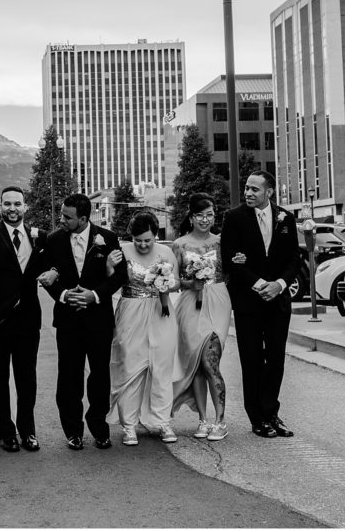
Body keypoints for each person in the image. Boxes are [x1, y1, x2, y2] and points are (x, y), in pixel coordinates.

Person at [43, 193, 127, 450]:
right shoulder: (54, 240)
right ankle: (73, 431)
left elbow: (120, 276)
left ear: (83, 218)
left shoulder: (107, 238)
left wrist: (95, 295)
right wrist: (64, 295)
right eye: (62, 215)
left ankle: (99, 427)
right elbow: (47, 276)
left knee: (100, 376)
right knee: (69, 377)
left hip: (98, 320)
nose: (62, 220)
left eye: (67, 217)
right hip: (67, 320)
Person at [220, 171, 301, 439]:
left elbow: (295, 259)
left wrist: (279, 284)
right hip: (248, 301)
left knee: (275, 359)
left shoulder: (286, 218)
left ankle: (271, 413)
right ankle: (257, 417)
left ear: (269, 192)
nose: (248, 193)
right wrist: (259, 284)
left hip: (278, 301)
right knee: (252, 359)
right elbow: (229, 259)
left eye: (255, 189)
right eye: (247, 188)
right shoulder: (234, 217)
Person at [0, 187, 49, 453]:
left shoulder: (40, 237)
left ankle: (28, 431)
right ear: (0, 206)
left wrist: (55, 272)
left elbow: (51, 267)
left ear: (25, 206)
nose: (12, 208)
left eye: (17, 203)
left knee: (27, 379)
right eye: (7, 204)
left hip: (28, 320)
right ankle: (6, 431)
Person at [103, 212, 180, 446]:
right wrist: (109, 266)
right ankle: (129, 425)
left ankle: (162, 421)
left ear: (155, 235)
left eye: (148, 240)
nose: (143, 245)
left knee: (162, 366)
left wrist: (166, 283)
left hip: (160, 311)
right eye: (138, 240)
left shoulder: (166, 252)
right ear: (132, 237)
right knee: (131, 366)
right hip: (131, 310)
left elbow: (177, 282)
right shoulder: (122, 251)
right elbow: (111, 282)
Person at [171, 193, 237, 442]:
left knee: (211, 361)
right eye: (200, 215)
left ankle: (220, 421)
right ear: (191, 216)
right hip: (190, 303)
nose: (205, 220)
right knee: (197, 364)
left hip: (217, 299)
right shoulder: (179, 244)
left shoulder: (221, 242)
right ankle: (203, 419)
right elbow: (174, 281)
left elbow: (230, 271)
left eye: (209, 215)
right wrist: (191, 283)